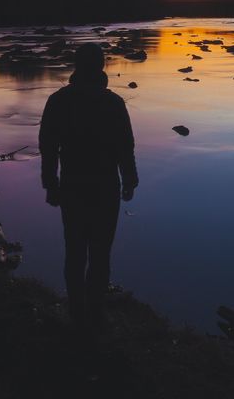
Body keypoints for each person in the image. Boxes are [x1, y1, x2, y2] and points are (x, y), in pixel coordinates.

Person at [39, 42, 139, 332]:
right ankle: (94, 312)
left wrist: (51, 184)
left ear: (76, 66)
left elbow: (48, 147)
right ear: (101, 67)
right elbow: (125, 147)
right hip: (105, 187)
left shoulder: (59, 101)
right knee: (100, 253)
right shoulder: (113, 103)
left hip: (73, 186)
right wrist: (129, 180)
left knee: (75, 251)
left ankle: (77, 311)